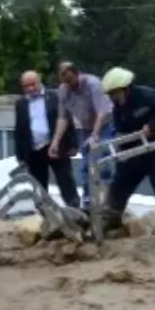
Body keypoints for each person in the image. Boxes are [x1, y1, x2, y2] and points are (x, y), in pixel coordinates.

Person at [99, 67, 155, 234]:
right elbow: (121, 128)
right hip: (137, 151)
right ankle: (110, 217)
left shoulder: (148, 96)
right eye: (110, 95)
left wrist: (153, 126)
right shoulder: (118, 109)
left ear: (125, 89)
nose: (112, 98)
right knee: (120, 182)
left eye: (114, 94)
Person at [49, 62, 115, 209]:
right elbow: (63, 118)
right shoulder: (63, 91)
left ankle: (109, 201)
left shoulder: (93, 84)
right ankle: (87, 203)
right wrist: (55, 142)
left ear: (77, 74)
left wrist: (96, 134)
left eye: (71, 80)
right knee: (86, 165)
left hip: (105, 125)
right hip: (85, 128)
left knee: (102, 162)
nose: (69, 85)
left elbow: (102, 111)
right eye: (65, 81)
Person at [14, 70, 80, 207]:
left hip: (56, 146)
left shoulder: (54, 97)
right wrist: (20, 155)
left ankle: (75, 210)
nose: (31, 88)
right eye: (26, 86)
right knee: (39, 186)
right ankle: (46, 215)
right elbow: (19, 129)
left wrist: (73, 144)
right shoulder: (20, 104)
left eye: (33, 84)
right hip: (34, 150)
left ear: (40, 81)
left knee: (65, 180)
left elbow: (67, 119)